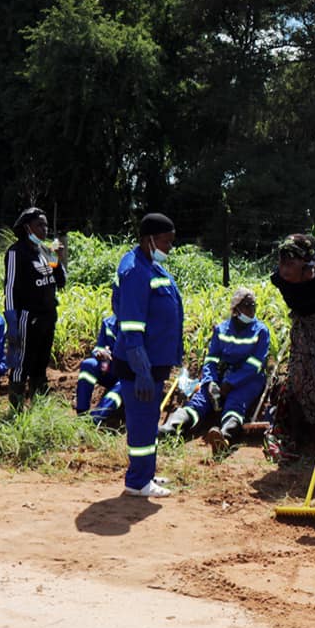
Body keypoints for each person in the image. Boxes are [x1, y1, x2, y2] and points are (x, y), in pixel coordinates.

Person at [109, 213, 184, 498]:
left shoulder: (149, 265)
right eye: (166, 241)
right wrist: (141, 370)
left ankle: (146, 473)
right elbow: (130, 326)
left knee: (149, 419)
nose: (169, 247)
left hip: (153, 362)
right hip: (140, 364)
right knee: (141, 422)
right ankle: (138, 481)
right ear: (148, 239)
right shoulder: (135, 271)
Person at [159, 287, 271, 456]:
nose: (252, 310)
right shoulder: (222, 329)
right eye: (247, 306)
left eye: (253, 305)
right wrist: (210, 382)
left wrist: (230, 383)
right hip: (222, 375)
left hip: (249, 379)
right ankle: (170, 429)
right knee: (200, 401)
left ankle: (224, 437)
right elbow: (211, 359)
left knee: (235, 402)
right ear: (236, 309)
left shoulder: (261, 331)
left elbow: (254, 364)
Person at [267, 234, 315, 458]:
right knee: (298, 379)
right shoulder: (279, 278)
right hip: (303, 327)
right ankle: (298, 434)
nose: (284, 268)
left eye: (290, 264)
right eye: (282, 262)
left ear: (306, 265)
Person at [2, 207, 67, 406]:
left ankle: (38, 400)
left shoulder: (45, 251)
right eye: (39, 225)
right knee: (23, 360)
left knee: (41, 359)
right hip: (27, 317)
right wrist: (12, 318)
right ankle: (17, 401)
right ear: (26, 227)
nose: (44, 229)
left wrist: (57, 259)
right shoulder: (16, 252)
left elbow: (61, 282)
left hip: (48, 315)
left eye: (46, 225)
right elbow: (10, 286)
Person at [74, 310, 121, 420]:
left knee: (124, 382)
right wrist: (100, 353)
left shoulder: (137, 325)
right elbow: (99, 346)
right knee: (88, 365)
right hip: (110, 369)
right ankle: (82, 413)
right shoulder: (108, 322)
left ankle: (96, 418)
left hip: (128, 374)